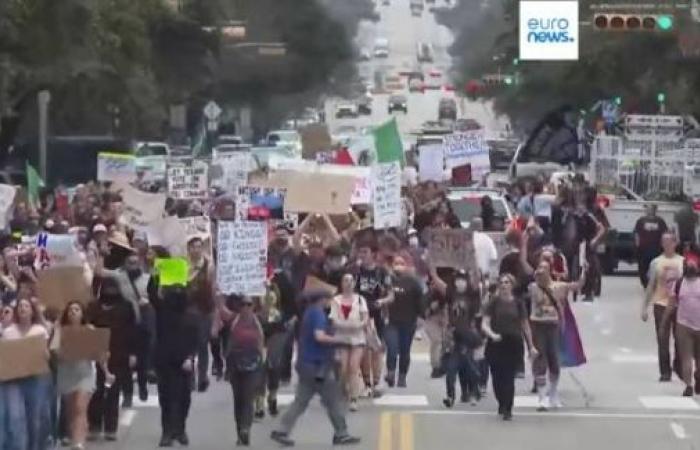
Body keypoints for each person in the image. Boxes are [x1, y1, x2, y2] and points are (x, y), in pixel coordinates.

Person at [270, 290, 361, 447]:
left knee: (300, 401)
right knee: (333, 400)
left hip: (306, 364)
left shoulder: (309, 313)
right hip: (317, 366)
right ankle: (341, 433)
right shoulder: (317, 314)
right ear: (322, 299)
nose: (330, 301)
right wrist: (340, 339)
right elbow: (319, 336)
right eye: (328, 298)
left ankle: (281, 430)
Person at [523, 233, 586, 410]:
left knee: (554, 361)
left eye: (545, 268)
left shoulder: (559, 287)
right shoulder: (532, 287)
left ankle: (553, 394)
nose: (541, 272)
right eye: (539, 269)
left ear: (550, 270)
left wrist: (583, 271)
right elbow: (526, 270)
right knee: (539, 360)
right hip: (537, 325)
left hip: (553, 326)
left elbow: (578, 285)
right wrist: (525, 245)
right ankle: (542, 396)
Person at [147, 275, 198, 448]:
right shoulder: (162, 313)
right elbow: (152, 294)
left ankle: (180, 429)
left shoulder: (191, 316)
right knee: (166, 398)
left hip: (184, 363)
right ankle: (167, 432)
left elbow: (196, 340)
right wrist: (157, 273)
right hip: (165, 361)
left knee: (184, 398)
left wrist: (191, 358)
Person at [86, 277, 138, 442]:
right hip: (96, 355)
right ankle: (94, 425)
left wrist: (133, 353)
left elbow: (133, 331)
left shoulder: (126, 307)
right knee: (96, 391)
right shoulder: (93, 307)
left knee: (114, 392)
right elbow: (85, 326)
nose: (110, 293)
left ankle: (111, 427)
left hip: (119, 354)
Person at [50, 302, 106, 450]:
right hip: (67, 373)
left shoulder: (89, 329)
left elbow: (100, 353)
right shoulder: (61, 330)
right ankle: (76, 435)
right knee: (70, 411)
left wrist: (107, 372)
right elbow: (54, 350)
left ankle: (78, 443)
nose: (73, 312)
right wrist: (57, 332)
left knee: (80, 407)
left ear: (82, 313)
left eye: (77, 309)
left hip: (85, 374)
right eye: (70, 310)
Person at [483, 274, 536, 420]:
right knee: (497, 376)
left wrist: (531, 346)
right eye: (501, 283)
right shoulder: (494, 302)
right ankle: (501, 401)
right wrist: (492, 334)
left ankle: (508, 408)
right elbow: (485, 323)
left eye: (507, 282)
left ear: (512, 285)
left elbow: (525, 325)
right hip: (496, 341)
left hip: (513, 342)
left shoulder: (519, 303)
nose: (504, 285)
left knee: (509, 376)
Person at [1, 297, 51, 450]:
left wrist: (44, 354)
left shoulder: (39, 331)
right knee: (16, 417)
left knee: (34, 418)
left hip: (35, 378)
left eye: (26, 306)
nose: (23, 308)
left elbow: (47, 355)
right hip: (13, 380)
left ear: (32, 311)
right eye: (20, 306)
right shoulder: (8, 332)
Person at [433, 270, 482, 407]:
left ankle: (473, 392)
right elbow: (439, 285)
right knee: (451, 370)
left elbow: (477, 281)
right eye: (457, 280)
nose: (460, 282)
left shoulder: (472, 297)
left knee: (470, 369)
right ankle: (450, 396)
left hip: (467, 336)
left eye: (463, 279)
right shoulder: (451, 295)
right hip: (453, 337)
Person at [641, 232, 684, 382]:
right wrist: (644, 307)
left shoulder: (682, 262)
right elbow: (651, 285)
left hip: (679, 305)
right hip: (660, 303)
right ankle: (665, 372)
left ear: (675, 243)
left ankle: (678, 365)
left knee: (680, 339)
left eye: (669, 241)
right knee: (662, 339)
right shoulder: (656, 262)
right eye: (664, 241)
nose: (667, 245)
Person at [226, 296, 265, 446]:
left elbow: (268, 309)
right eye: (243, 304)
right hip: (235, 364)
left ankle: (245, 429)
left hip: (253, 364)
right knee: (238, 399)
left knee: (248, 397)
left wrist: (266, 289)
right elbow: (221, 312)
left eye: (249, 304)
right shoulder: (234, 320)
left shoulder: (258, 321)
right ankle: (239, 432)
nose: (246, 308)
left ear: (253, 306)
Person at [354, 243, 393, 393]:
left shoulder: (382, 272)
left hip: (377, 314)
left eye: (365, 251)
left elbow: (391, 295)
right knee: (362, 349)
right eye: (360, 252)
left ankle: (377, 381)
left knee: (377, 348)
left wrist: (382, 301)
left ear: (373, 254)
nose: (362, 255)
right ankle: (366, 382)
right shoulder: (356, 271)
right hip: (359, 314)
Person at [329, 273, 369, 411]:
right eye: (345, 280)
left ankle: (354, 398)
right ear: (341, 283)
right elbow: (333, 319)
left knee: (353, 366)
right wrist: (344, 325)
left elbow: (365, 318)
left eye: (351, 281)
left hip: (357, 338)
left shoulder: (360, 300)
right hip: (342, 337)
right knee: (343, 368)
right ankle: (343, 392)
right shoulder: (336, 300)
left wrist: (360, 325)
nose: (348, 283)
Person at [662, 252, 700, 396]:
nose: (690, 267)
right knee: (686, 357)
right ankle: (688, 385)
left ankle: (697, 377)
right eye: (688, 265)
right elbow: (671, 304)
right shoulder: (678, 284)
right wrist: (664, 322)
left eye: (693, 265)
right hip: (683, 325)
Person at [385, 255, 424, 388]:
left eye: (401, 263)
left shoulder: (413, 282)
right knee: (392, 347)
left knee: (404, 350)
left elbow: (421, 301)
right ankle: (390, 373)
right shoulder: (387, 280)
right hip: (391, 321)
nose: (398, 266)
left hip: (408, 321)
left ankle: (402, 377)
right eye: (396, 263)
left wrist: (420, 317)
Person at [186, 237, 216, 393]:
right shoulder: (181, 265)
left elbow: (213, 288)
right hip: (186, 311)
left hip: (204, 311)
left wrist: (215, 311)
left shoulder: (209, 265)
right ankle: (190, 378)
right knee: (188, 347)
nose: (196, 250)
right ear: (189, 249)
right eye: (193, 247)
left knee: (203, 345)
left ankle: (202, 377)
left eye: (199, 247)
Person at [635, 204, 668, 288]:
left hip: (656, 248)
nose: (648, 210)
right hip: (644, 248)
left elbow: (664, 233)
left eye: (650, 209)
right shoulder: (641, 221)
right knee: (643, 266)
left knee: (656, 266)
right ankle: (645, 283)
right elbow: (637, 233)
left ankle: (655, 282)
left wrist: (664, 244)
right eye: (647, 209)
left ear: (654, 210)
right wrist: (637, 244)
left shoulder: (660, 221)